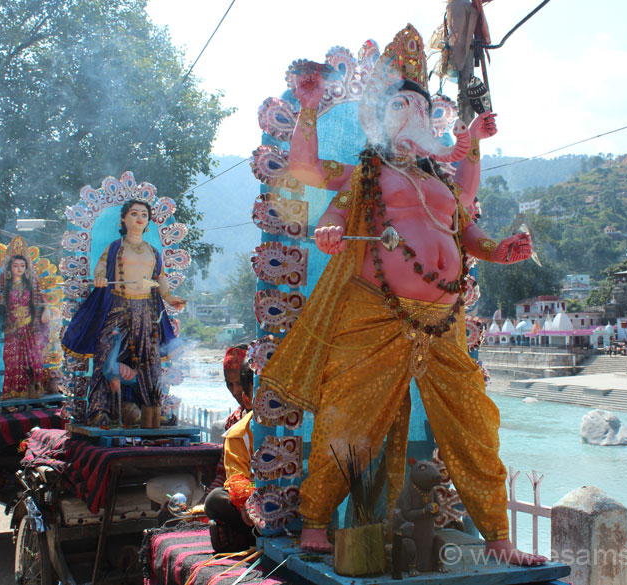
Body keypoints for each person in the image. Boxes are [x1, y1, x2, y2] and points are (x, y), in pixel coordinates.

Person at [259, 26, 543, 564]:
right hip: (375, 310)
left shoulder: (441, 179)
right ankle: (317, 517)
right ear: (382, 120)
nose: (410, 112)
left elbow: (467, 234)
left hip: (444, 317)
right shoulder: (368, 171)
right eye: (399, 106)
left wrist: (501, 249)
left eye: (418, 105)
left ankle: (498, 536)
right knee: (348, 416)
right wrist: (311, 113)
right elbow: (309, 174)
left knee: (474, 423)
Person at [62, 199, 187, 426]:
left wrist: (169, 297)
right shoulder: (115, 248)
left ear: (148, 221)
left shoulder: (153, 252)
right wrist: (100, 277)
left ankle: (152, 410)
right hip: (118, 308)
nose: (139, 218)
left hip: (146, 311)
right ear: (123, 218)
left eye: (144, 214)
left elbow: (159, 279)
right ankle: (98, 411)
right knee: (104, 356)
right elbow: (100, 268)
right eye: (134, 213)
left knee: (150, 362)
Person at [0, 242, 48, 399]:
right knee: (11, 360)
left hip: (29, 329)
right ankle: (13, 391)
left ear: (26, 268)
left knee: (32, 360)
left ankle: (32, 390)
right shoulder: (4, 288)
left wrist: (46, 310)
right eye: (16, 266)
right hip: (12, 329)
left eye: (22, 265)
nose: (19, 268)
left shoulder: (32, 286)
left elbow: (43, 300)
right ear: (10, 269)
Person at [204, 384, 256, 553]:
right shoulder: (239, 433)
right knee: (215, 499)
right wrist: (245, 503)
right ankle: (249, 536)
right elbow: (236, 477)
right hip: (256, 506)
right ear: (247, 400)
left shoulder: (300, 423)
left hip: (293, 501)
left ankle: (240, 537)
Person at [206, 344, 254, 493]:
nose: (235, 391)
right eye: (230, 384)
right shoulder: (233, 421)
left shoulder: (276, 419)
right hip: (242, 493)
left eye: (239, 383)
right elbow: (224, 473)